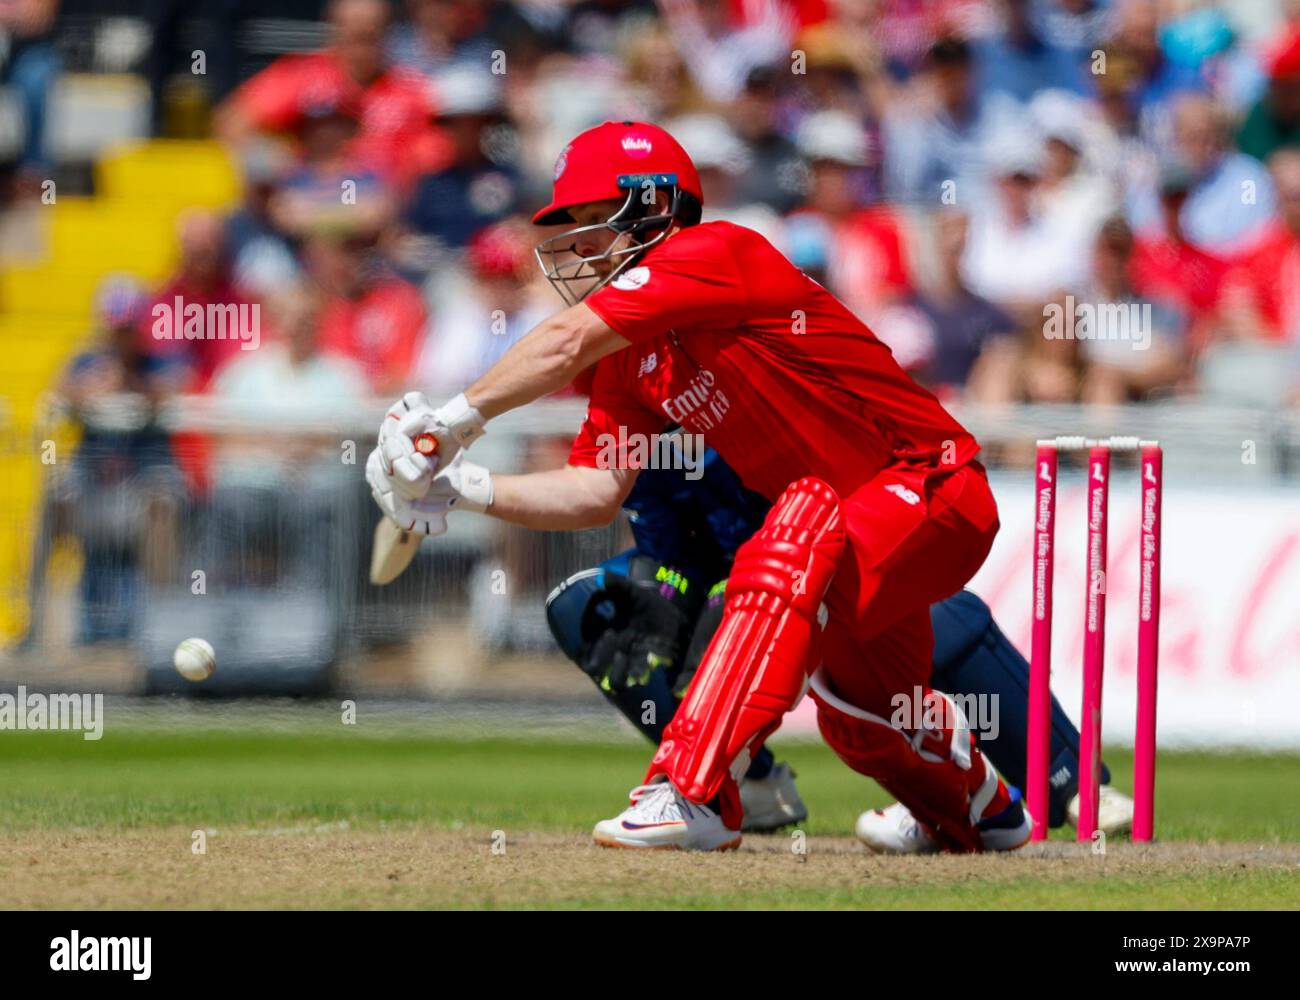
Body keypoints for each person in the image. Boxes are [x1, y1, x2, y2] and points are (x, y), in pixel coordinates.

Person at [365, 120, 1027, 852]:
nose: (577, 247)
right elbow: (594, 489)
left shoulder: (716, 253)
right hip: (857, 527)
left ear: (653, 207)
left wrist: (448, 422)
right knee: (862, 715)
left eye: (592, 223)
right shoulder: (628, 362)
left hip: (931, 485)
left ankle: (692, 791)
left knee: (797, 520)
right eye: (570, 229)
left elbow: (562, 341)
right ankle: (980, 809)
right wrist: (463, 487)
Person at [544, 446, 1136, 849]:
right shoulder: (645, 419)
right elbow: (671, 549)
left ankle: (1069, 784)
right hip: (750, 586)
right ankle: (735, 787)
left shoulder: (754, 387)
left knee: (933, 617)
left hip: (829, 560)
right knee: (591, 606)